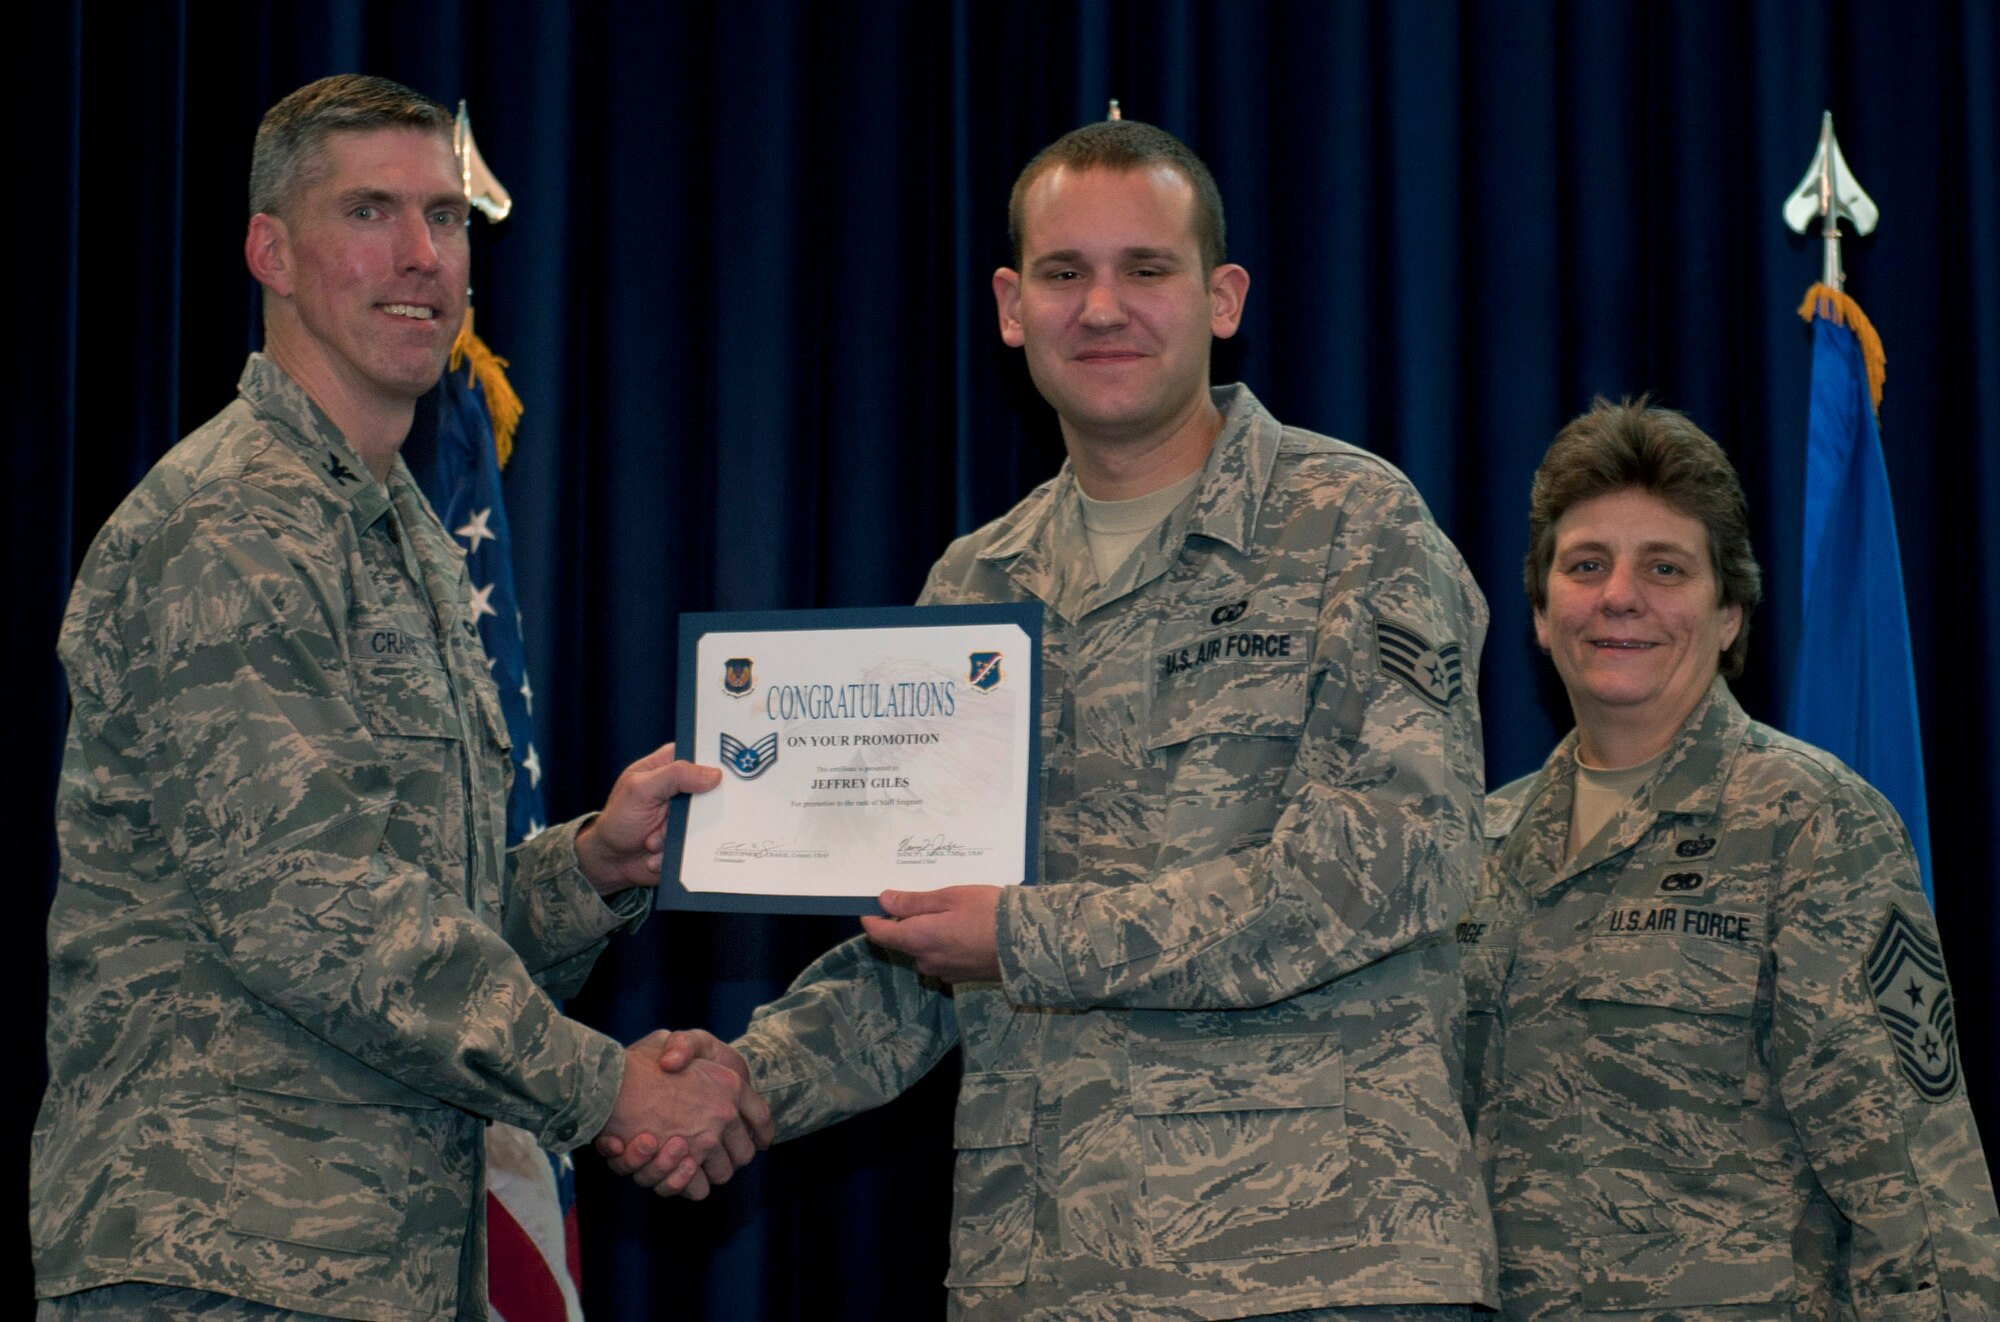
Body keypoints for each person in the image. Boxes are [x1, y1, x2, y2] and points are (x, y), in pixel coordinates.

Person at [611, 119, 1497, 1318]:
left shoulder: (1352, 524)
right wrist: (747, 1082)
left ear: (1221, 297)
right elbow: (923, 940)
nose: (1102, 307)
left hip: (1309, 1256)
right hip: (1040, 1269)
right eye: (1064, 273)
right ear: (1009, 305)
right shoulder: (976, 586)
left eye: (1147, 269)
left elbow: (1391, 867)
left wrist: (1024, 937)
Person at [32, 74, 770, 1322]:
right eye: (371, 211)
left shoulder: (397, 534)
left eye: (447, 218)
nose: (422, 257)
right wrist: (608, 1089)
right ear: (270, 249)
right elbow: (315, 908)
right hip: (221, 1253)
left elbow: (433, 903)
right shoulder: (231, 525)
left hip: (377, 1265)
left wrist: (589, 865)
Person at [1460, 400, 2000, 1320]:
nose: (1619, 595)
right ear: (1543, 615)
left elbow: (1914, 1189)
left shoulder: (1813, 825)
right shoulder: (1472, 845)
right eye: (1585, 566)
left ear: (1728, 615)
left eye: (1665, 568)